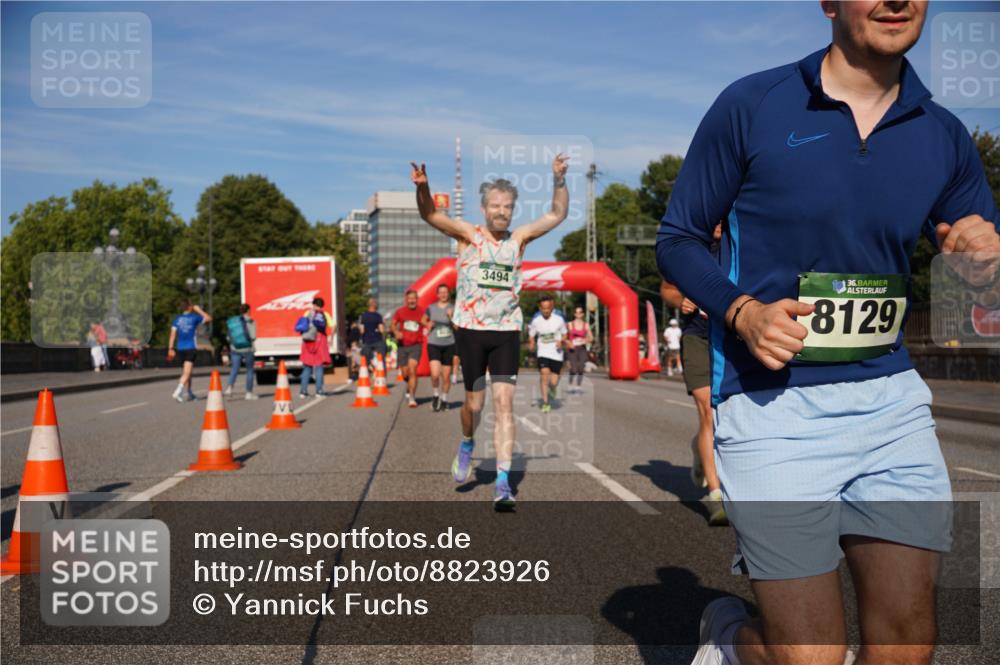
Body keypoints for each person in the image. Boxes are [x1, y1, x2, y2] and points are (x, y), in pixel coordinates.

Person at [656, 3, 1000, 664]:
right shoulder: (753, 103)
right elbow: (678, 240)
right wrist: (742, 312)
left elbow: (973, 255)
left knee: (906, 647)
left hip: (891, 402)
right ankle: (729, 640)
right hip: (772, 404)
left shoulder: (944, 132)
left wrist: (982, 257)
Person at [411, 153, 570, 510]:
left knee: (503, 404)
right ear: (484, 209)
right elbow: (430, 214)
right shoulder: (468, 236)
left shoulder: (520, 239)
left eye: (508, 206)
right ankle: (467, 441)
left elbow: (557, 214)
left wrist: (558, 180)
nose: (502, 212)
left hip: (506, 331)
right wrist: (424, 189)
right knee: (475, 404)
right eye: (495, 206)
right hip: (470, 331)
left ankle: (502, 481)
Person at [660, 225, 727, 529]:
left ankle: (701, 449)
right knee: (708, 413)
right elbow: (668, 289)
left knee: (728, 414)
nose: (716, 224)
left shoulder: (745, 243)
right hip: (698, 337)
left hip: (733, 340)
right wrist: (681, 300)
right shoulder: (691, 248)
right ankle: (716, 497)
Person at [528, 296, 568, 413]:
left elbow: (565, 334)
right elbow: (531, 335)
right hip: (543, 352)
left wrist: (561, 341)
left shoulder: (559, 320)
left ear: (552, 308)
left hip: (557, 353)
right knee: (544, 374)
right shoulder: (536, 321)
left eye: (548, 308)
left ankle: (552, 389)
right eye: (543, 308)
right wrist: (531, 343)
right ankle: (546, 402)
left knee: (554, 382)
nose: (546, 311)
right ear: (540, 308)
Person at [168, 299, 211, 402]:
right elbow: (209, 318)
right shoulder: (194, 317)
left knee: (187, 372)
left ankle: (190, 393)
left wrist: (170, 348)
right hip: (190, 347)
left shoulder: (177, 319)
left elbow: (172, 335)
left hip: (180, 348)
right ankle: (178, 391)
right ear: (190, 307)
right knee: (187, 373)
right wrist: (199, 310)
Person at [423, 283, 457, 412]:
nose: (443, 294)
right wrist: (428, 323)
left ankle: (444, 399)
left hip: (449, 344)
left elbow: (457, 328)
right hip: (434, 344)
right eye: (441, 292)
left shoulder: (453, 308)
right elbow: (423, 320)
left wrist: (451, 317)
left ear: (448, 294)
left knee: (446, 376)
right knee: (435, 374)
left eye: (445, 292)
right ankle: (436, 395)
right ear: (437, 294)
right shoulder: (431, 308)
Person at [392, 289, 425, 408]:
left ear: (417, 299)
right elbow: (393, 324)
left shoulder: (422, 312)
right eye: (410, 298)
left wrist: (428, 324)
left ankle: (412, 397)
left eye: (414, 298)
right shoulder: (400, 312)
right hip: (402, 346)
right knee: (405, 373)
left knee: (413, 370)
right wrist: (396, 332)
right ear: (407, 300)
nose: (412, 300)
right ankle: (408, 386)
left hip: (416, 345)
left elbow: (427, 323)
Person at [298, 297, 334, 398]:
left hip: (308, 341)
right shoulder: (325, 314)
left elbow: (302, 326)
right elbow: (333, 325)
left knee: (307, 366)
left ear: (313, 304)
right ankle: (319, 391)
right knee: (319, 366)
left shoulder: (307, 313)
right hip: (320, 340)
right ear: (322, 305)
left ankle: (303, 391)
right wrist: (331, 337)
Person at [224, 303, 258, 400]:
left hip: (235, 348)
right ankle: (248, 393)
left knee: (235, 368)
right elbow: (253, 336)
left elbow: (228, 337)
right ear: (248, 311)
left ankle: (229, 388)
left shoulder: (233, 321)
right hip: (247, 349)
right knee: (250, 370)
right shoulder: (251, 321)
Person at [359, 298, 386, 366]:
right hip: (377, 340)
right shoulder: (378, 316)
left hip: (366, 340)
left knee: (365, 361)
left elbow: (362, 330)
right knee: (381, 360)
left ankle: (366, 373)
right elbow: (381, 330)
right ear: (375, 305)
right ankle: (382, 374)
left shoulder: (364, 316)